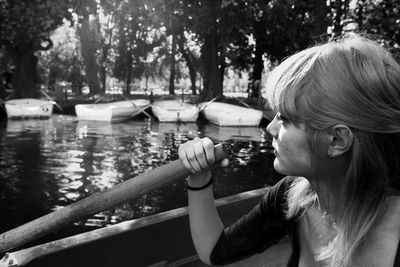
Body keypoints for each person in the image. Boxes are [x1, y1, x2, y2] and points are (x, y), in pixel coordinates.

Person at [178, 33, 400, 267]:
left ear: (336, 140)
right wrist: (199, 177)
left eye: (284, 119)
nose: (270, 128)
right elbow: (216, 250)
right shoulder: (292, 194)